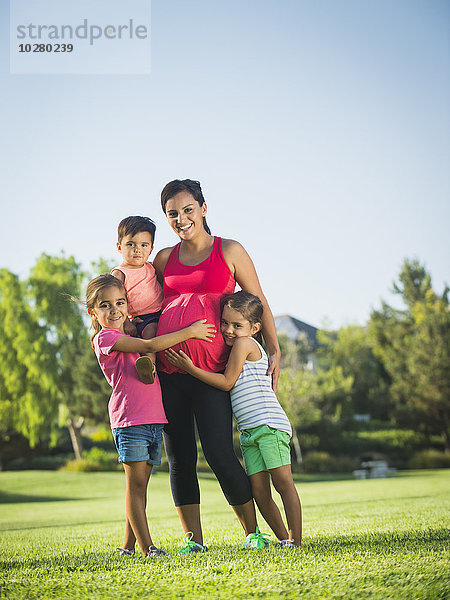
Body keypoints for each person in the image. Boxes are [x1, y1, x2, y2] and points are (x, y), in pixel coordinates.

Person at [153, 179, 282, 552]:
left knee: (220, 452)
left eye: (188, 209)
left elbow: (260, 303)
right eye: (172, 213)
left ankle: (251, 533)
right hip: (170, 372)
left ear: (204, 208)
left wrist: (274, 349)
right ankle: (193, 541)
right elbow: (141, 297)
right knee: (180, 457)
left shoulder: (229, 250)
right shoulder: (163, 259)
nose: (181, 218)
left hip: (214, 373)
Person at [85, 273, 215, 557]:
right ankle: (148, 548)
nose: (115, 310)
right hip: (130, 419)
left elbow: (143, 337)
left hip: (153, 418)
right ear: (92, 312)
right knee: (136, 486)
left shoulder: (126, 332)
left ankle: (127, 546)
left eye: (120, 302)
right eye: (105, 305)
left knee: (141, 487)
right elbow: (148, 346)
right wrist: (190, 332)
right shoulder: (105, 338)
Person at [166, 290, 302, 547]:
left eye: (237, 325)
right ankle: (284, 539)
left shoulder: (244, 344)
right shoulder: (236, 345)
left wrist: (190, 368)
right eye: (225, 323)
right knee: (260, 492)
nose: (228, 330)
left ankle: (296, 541)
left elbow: (227, 382)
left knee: (283, 484)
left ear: (255, 328)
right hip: (250, 432)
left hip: (269, 426)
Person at [111, 216, 164, 385]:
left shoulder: (150, 266)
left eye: (144, 245)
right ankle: (150, 368)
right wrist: (127, 322)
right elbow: (116, 302)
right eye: (131, 244)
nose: (137, 250)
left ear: (151, 248)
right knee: (150, 334)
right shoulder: (120, 273)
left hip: (162, 312)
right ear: (119, 247)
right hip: (144, 318)